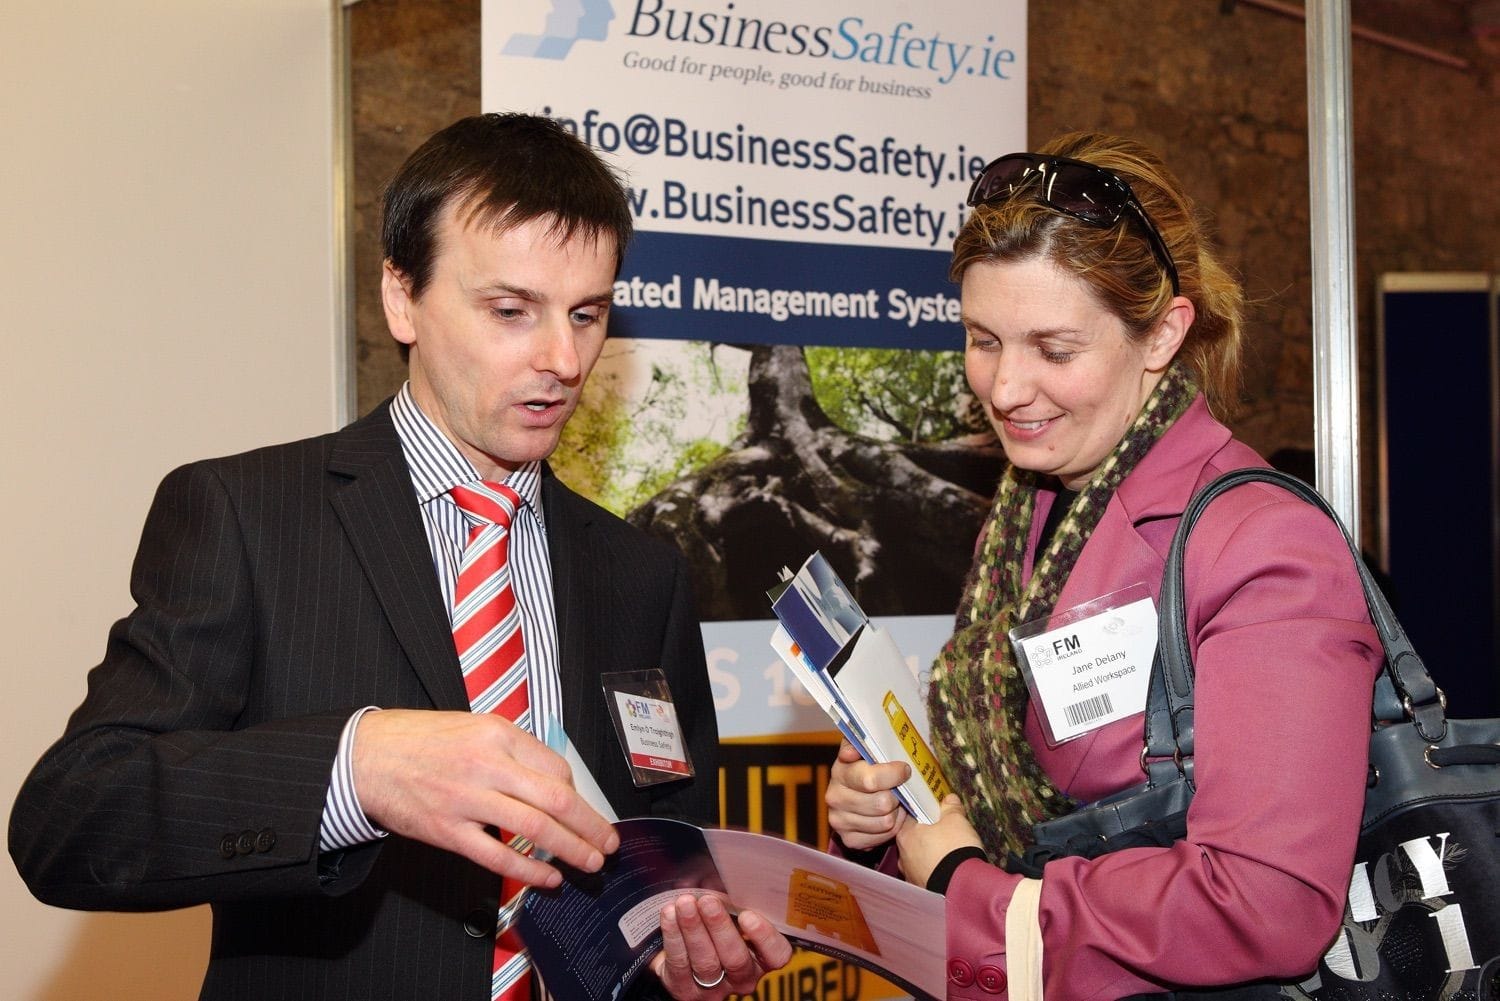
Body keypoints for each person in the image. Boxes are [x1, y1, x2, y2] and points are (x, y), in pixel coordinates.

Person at [10, 112, 789, 1001]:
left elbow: (670, 844)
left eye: (588, 312)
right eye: (511, 310)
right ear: (401, 297)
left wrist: (682, 950)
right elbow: (71, 819)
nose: (564, 358)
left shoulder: (641, 571)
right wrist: (357, 769)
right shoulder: (245, 515)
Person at [825, 132, 1382, 1000]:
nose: (1006, 388)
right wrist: (890, 823)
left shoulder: (1261, 539)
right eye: (982, 339)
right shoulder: (1025, 517)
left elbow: (1268, 902)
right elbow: (1018, 793)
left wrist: (968, 890)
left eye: (1053, 350)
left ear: (1162, 334)